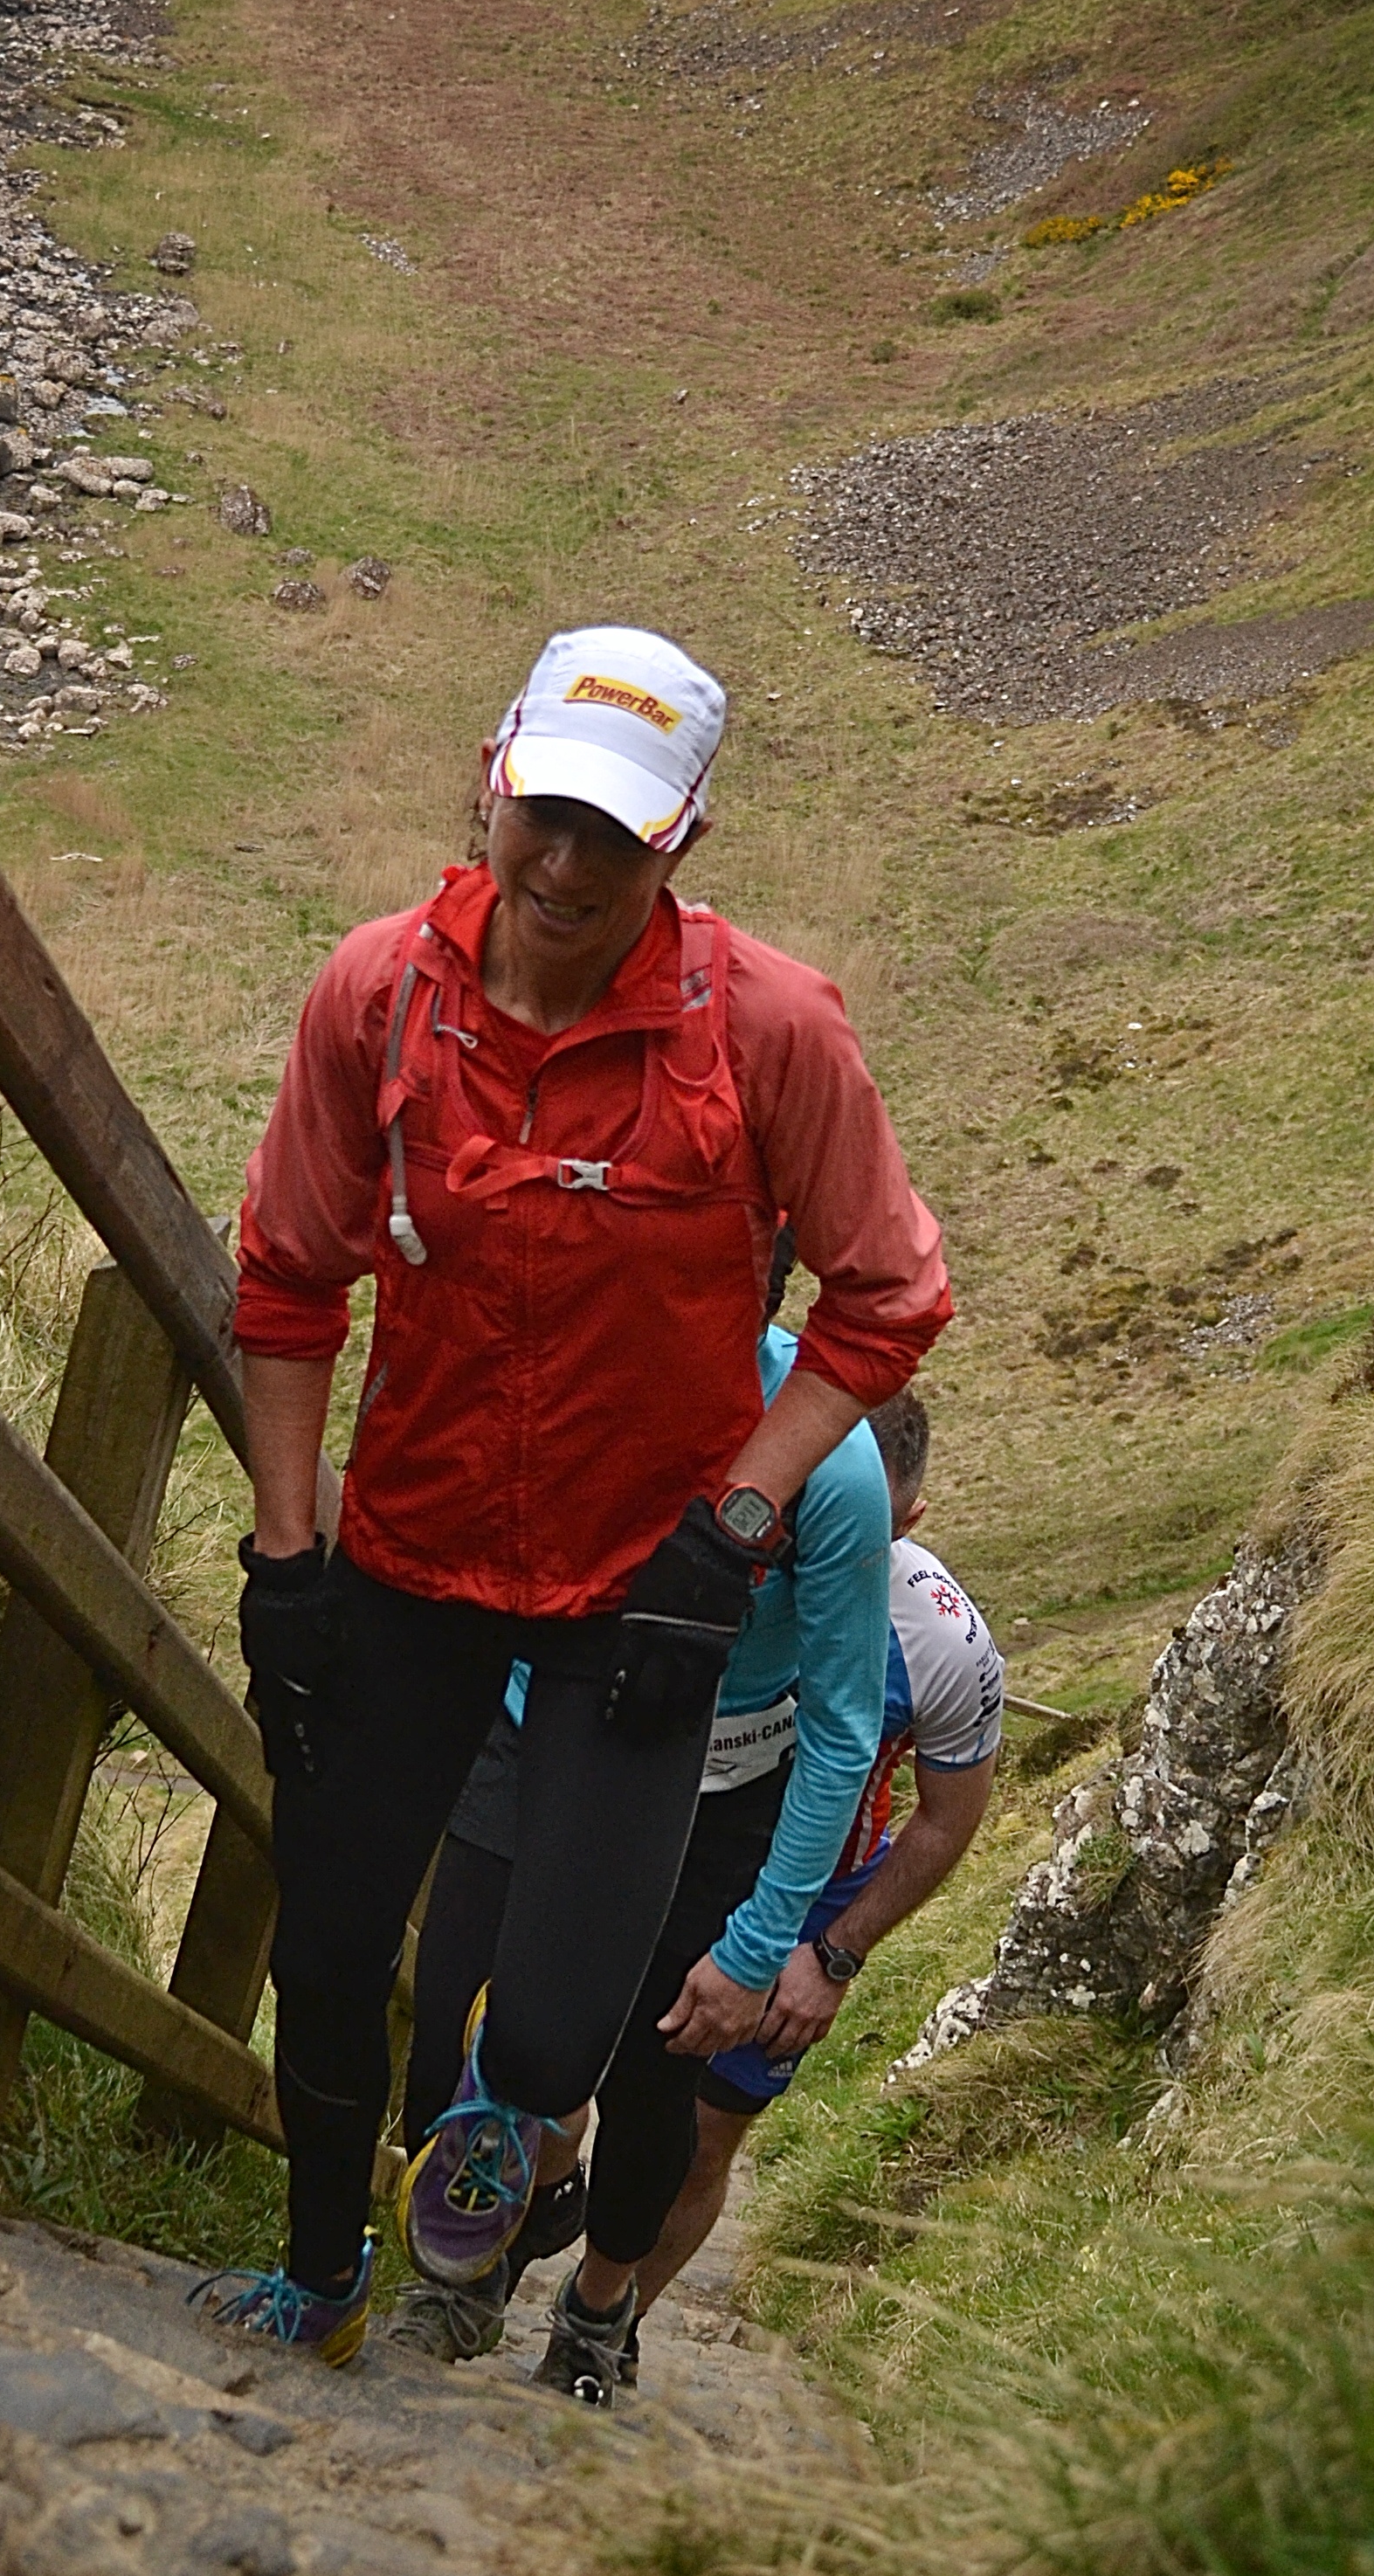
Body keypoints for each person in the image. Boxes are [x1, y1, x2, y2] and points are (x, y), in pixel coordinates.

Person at [188, 625, 950, 2365]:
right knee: (324, 1956)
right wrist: (285, 1556)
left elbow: (888, 1296)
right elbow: (291, 1280)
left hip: (640, 1605)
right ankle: (321, 2283)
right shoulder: (378, 996)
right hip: (408, 1562)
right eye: (542, 811)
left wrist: (740, 1518)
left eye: (615, 833)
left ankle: (508, 2174)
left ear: (682, 840)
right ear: (491, 771)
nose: (564, 863)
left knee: (542, 2040)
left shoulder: (766, 1031)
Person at [396, 1378, 1003, 2397]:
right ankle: (493, 2238)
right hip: (572, 1736)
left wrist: (810, 1950)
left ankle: (596, 2309)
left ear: (901, 1521)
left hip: (739, 1810)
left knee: (660, 2078)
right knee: (486, 2035)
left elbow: (922, 1792)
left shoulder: (938, 1635)